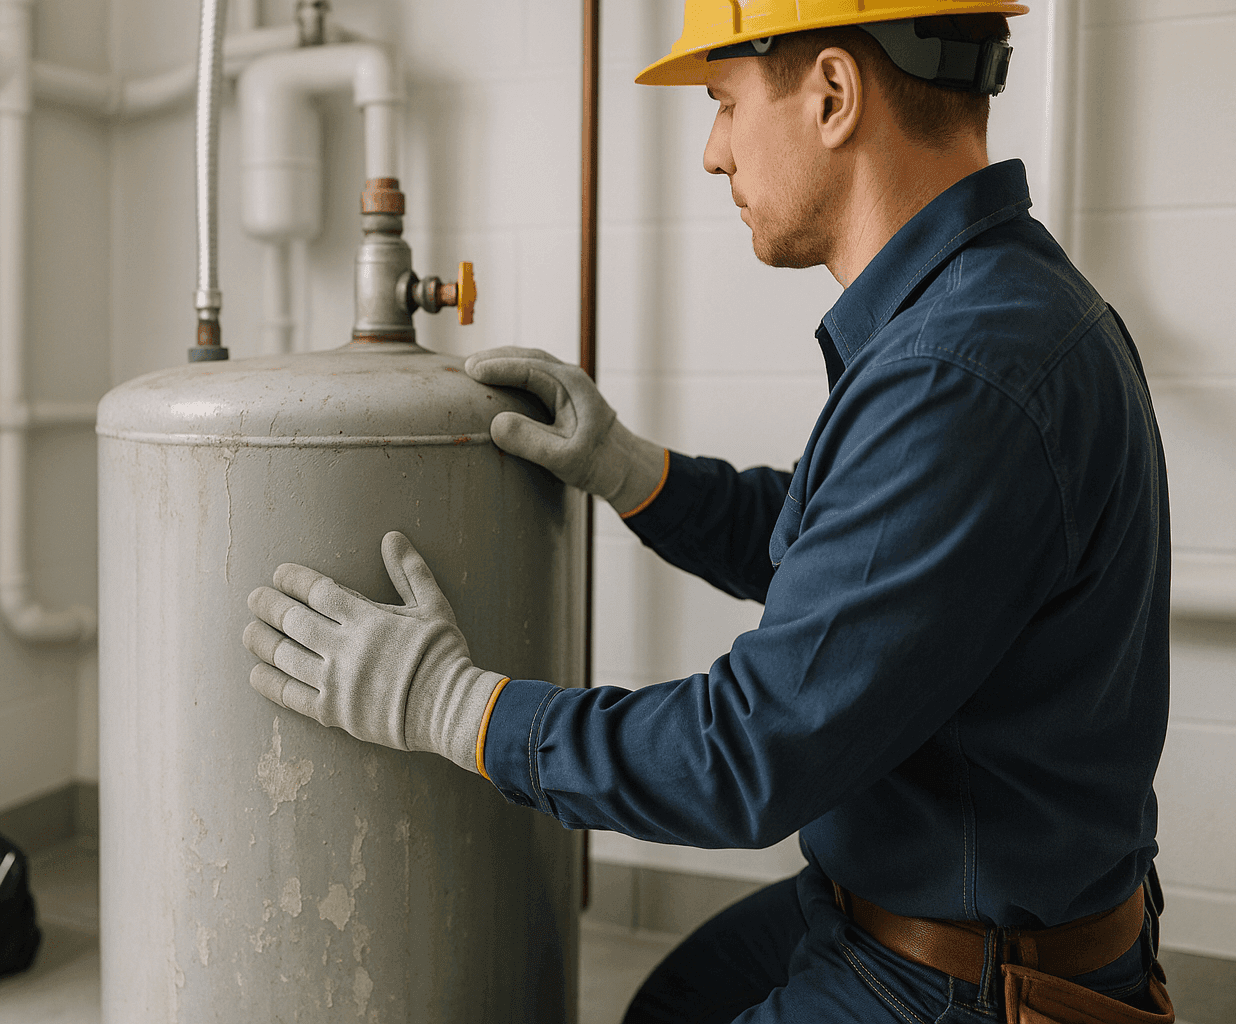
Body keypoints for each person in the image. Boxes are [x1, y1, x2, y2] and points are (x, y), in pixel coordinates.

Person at [241, 2, 1177, 1020]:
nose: (712, 152)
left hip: (964, 976)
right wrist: (635, 470)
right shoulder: (982, 304)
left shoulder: (963, 373)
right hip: (907, 909)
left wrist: (450, 706)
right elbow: (851, 567)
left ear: (832, 95)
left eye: (726, 103)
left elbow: (746, 753)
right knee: (669, 1005)